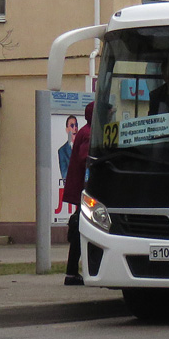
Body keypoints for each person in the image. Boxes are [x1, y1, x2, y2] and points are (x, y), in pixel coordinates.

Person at [62, 102, 94, 286]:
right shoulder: (89, 133)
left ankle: (73, 271)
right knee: (81, 228)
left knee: (80, 227)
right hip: (86, 190)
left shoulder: (84, 131)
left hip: (81, 188)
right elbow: (86, 160)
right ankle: (72, 272)